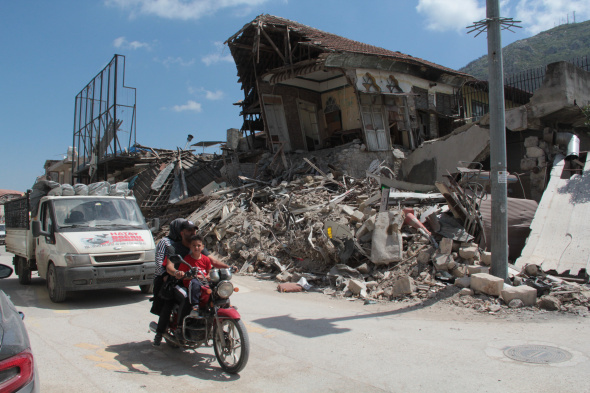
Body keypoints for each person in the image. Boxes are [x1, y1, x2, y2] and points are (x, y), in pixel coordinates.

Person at [152, 220, 230, 346]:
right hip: (179, 282)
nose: (192, 233)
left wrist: (228, 267)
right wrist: (176, 272)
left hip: (198, 281)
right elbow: (169, 266)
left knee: (216, 293)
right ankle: (171, 330)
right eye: (189, 231)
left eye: (194, 230)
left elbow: (212, 261)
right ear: (182, 233)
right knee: (185, 297)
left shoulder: (197, 246)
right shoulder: (174, 248)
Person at [150, 218, 184, 318]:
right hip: (164, 277)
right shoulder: (164, 242)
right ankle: (161, 330)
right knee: (166, 304)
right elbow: (159, 262)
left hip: (178, 275)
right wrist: (164, 275)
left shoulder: (183, 242)